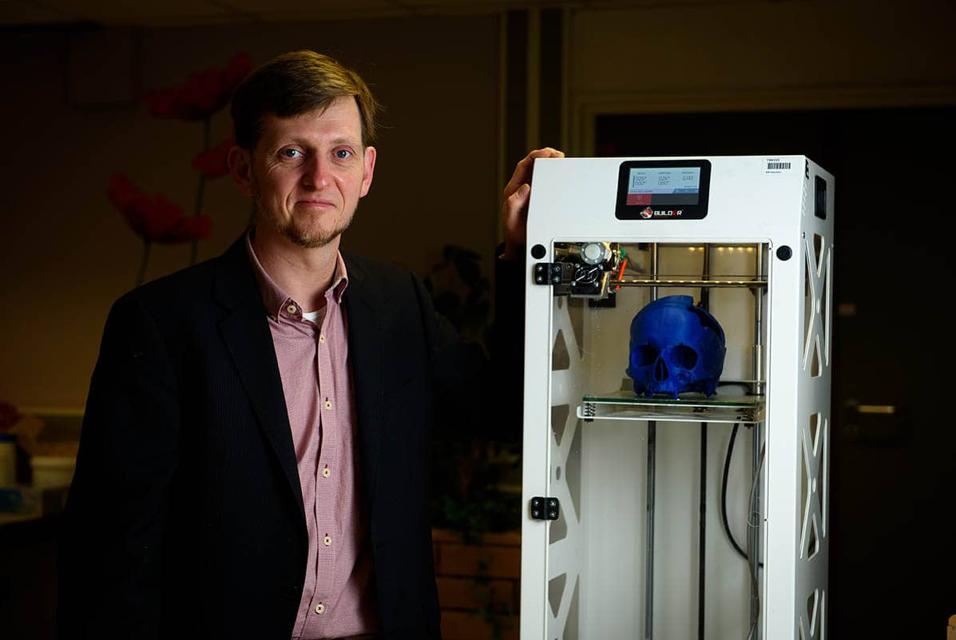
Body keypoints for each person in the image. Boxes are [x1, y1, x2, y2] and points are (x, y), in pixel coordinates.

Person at [57, 49, 563, 640]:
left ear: (367, 171)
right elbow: (111, 547)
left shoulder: (399, 303)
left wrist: (521, 254)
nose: (320, 179)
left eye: (341, 154)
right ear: (244, 169)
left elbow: (505, 410)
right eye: (292, 152)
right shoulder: (160, 324)